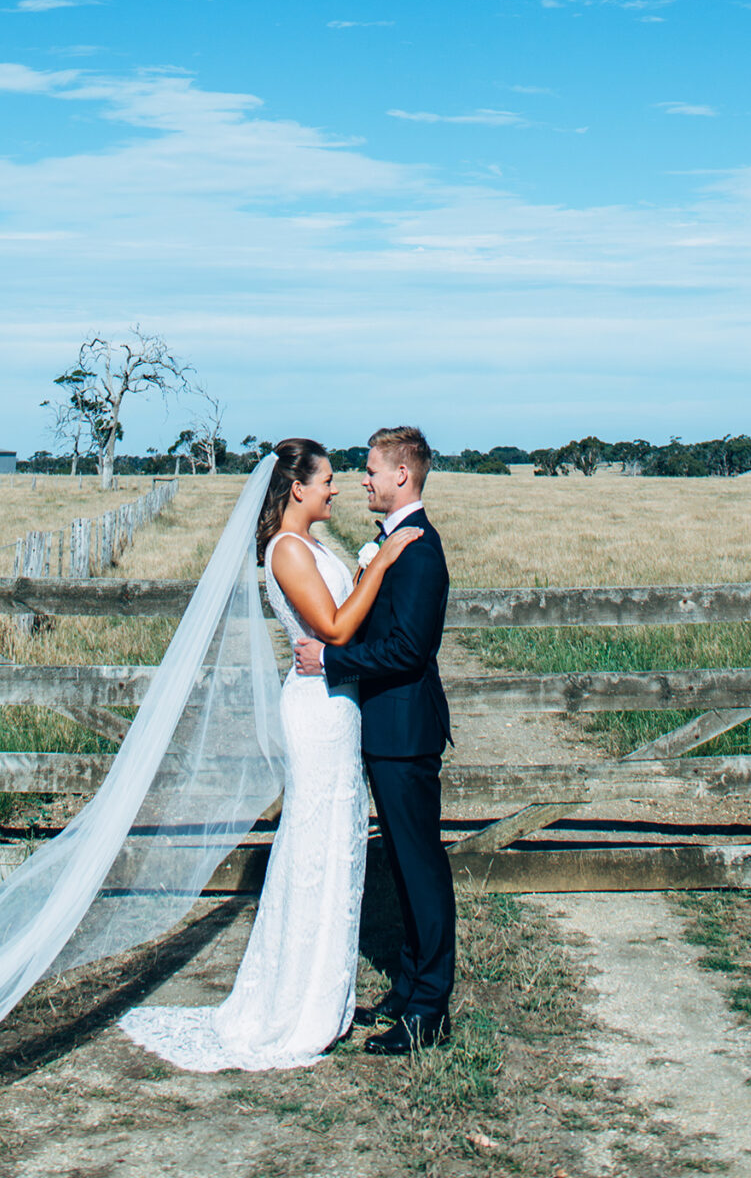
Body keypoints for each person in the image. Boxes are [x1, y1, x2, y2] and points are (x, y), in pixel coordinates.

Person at [119, 437, 421, 1071]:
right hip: (316, 710)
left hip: (337, 704)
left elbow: (342, 624)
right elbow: (335, 629)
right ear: (299, 489)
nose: (338, 488)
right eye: (329, 479)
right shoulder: (287, 551)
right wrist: (383, 564)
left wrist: (369, 571)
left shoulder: (311, 545)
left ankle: (320, 992)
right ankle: (294, 1003)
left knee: (333, 841)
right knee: (315, 842)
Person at [294, 424, 455, 1053]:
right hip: (384, 731)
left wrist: (333, 665)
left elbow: (411, 649)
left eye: (370, 470)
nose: (363, 479)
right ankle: (411, 986)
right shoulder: (394, 543)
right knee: (407, 862)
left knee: (421, 867)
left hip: (405, 733)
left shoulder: (419, 551)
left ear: (401, 476)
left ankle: (430, 1011)